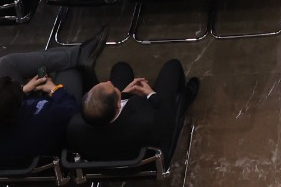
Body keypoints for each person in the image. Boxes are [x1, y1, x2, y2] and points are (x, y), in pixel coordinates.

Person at [0, 40, 103, 168]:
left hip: (15, 153)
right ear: (18, 109)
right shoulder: (44, 118)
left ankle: (75, 55)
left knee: (4, 65)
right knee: (69, 68)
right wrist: (54, 89)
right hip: (53, 125)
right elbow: (73, 111)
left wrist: (23, 91)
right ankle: (77, 58)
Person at [68, 58, 198, 162]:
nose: (109, 82)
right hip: (143, 154)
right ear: (118, 106)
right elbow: (167, 116)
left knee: (121, 68)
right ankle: (187, 96)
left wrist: (122, 94)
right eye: (114, 89)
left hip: (108, 155)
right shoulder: (146, 118)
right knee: (172, 66)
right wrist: (151, 94)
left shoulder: (74, 127)